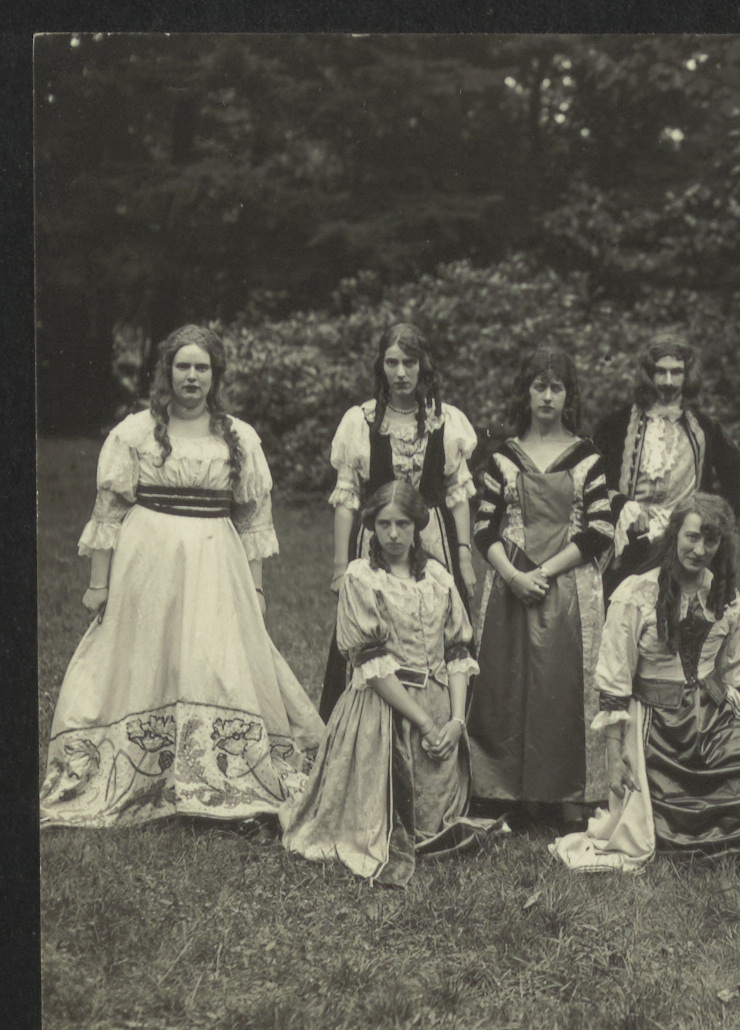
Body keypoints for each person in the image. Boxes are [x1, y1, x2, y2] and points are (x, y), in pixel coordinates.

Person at [41, 324, 324, 828]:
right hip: (148, 559)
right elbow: (108, 511)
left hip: (216, 560)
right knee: (148, 653)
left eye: (202, 368)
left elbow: (253, 520)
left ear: (215, 376)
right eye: (183, 366)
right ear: (167, 372)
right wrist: (98, 583)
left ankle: (216, 775)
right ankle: (144, 772)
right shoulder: (135, 433)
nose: (192, 377)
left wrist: (257, 587)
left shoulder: (239, 437)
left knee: (214, 657)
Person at [550, 494, 740, 876]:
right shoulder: (637, 593)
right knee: (657, 818)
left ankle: (733, 852)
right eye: (692, 537)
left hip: (714, 717)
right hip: (656, 728)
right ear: (674, 535)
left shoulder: (724, 596)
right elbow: (614, 684)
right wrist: (614, 757)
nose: (700, 550)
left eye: (710, 541)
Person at [281, 481, 491, 886]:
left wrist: (455, 721)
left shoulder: (439, 577)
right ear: (371, 527)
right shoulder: (362, 578)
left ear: (418, 526)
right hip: (383, 710)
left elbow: (457, 653)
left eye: (402, 524)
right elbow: (372, 664)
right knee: (380, 823)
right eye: (383, 524)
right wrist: (424, 723)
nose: (393, 534)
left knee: (434, 824)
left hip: (438, 706)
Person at [465, 346, 616, 833]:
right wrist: (513, 576)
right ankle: (507, 792)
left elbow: (600, 529)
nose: (547, 397)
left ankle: (568, 793)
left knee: (562, 686)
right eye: (539, 386)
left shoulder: (588, 457)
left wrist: (545, 572)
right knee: (506, 683)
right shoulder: (503, 457)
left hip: (569, 586)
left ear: (569, 395)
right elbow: (483, 529)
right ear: (525, 393)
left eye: (557, 387)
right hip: (509, 584)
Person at [319, 323, 480, 720]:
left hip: (433, 537)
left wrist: (463, 556)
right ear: (382, 366)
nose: (401, 372)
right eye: (392, 363)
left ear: (424, 365)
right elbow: (346, 497)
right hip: (378, 536)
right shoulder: (362, 421)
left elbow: (458, 492)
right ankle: (362, 720)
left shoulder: (445, 420)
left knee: (439, 624)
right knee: (373, 625)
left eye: (410, 362)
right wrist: (340, 567)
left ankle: (447, 716)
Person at [592, 333, 740, 596]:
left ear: (687, 375)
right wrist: (623, 506)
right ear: (648, 374)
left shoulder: (704, 428)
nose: (668, 382)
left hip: (685, 547)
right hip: (630, 546)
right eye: (660, 372)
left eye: (676, 372)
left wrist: (710, 516)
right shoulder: (615, 425)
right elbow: (592, 484)